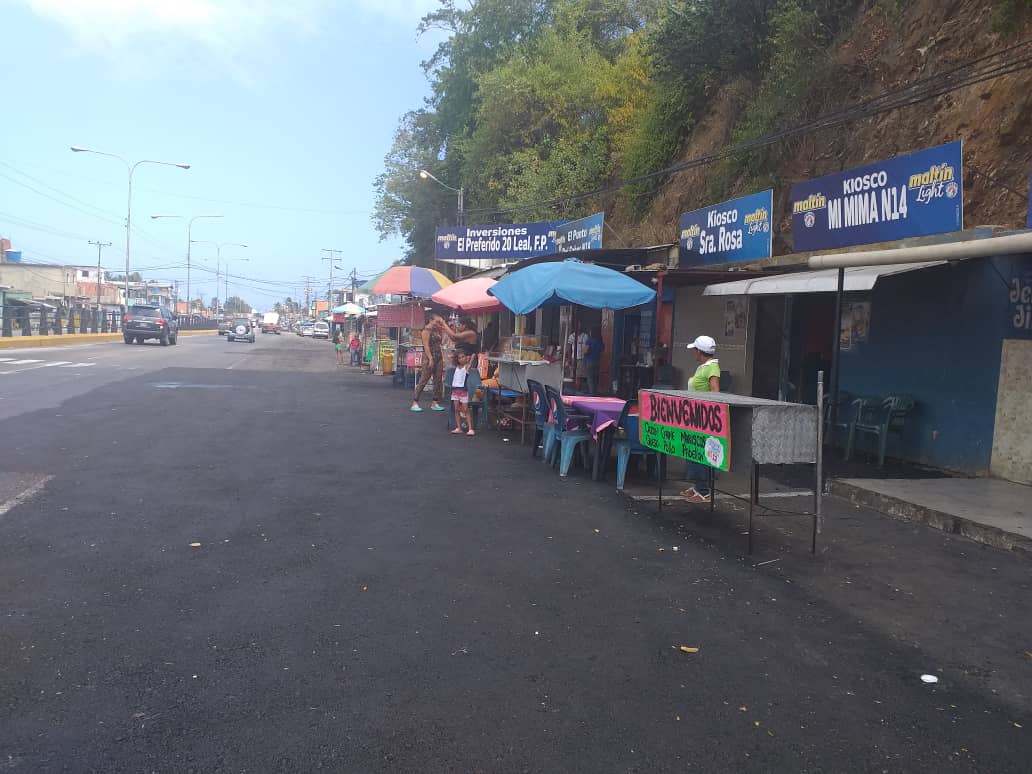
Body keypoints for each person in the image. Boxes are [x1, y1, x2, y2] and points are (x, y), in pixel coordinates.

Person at [681, 335, 721, 503]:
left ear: (699, 351)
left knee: (702, 452)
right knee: (694, 451)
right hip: (695, 416)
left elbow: (715, 392)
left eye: (695, 350)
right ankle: (698, 486)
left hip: (703, 418)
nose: (694, 353)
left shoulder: (712, 368)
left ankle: (704, 490)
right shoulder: (703, 367)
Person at [410, 314, 445, 412]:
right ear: (430, 320)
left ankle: (435, 402)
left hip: (438, 357)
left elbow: (440, 345)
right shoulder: (426, 331)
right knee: (424, 379)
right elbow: (426, 346)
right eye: (436, 321)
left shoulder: (436, 330)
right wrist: (430, 359)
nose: (437, 323)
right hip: (429, 357)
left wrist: (443, 358)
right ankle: (415, 402)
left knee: (437, 380)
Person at [450, 352, 475, 436]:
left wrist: (472, 356)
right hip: (455, 390)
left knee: (465, 409)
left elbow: (470, 363)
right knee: (456, 409)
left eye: (463, 357)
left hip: (463, 391)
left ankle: (470, 429)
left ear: (466, 357)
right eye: (459, 357)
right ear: (457, 359)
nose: (461, 359)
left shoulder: (466, 367)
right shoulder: (456, 367)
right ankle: (459, 428)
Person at [584, 327, 604, 395]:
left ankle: (592, 393)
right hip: (597, 362)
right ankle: (595, 393)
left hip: (590, 361)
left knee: (590, 378)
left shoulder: (589, 341)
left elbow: (585, 351)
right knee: (596, 378)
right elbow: (602, 350)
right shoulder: (600, 341)